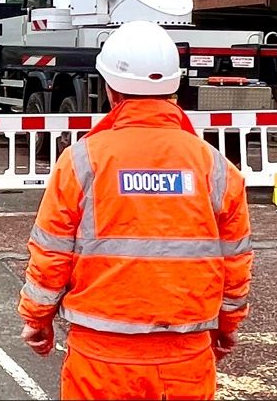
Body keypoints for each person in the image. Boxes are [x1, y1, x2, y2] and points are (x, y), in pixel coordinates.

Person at [18, 20, 253, 401]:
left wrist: (37, 318)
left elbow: (52, 253)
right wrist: (227, 326)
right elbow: (235, 261)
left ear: (110, 89)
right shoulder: (214, 166)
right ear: (174, 89)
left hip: (100, 357)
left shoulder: (81, 162)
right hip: (186, 356)